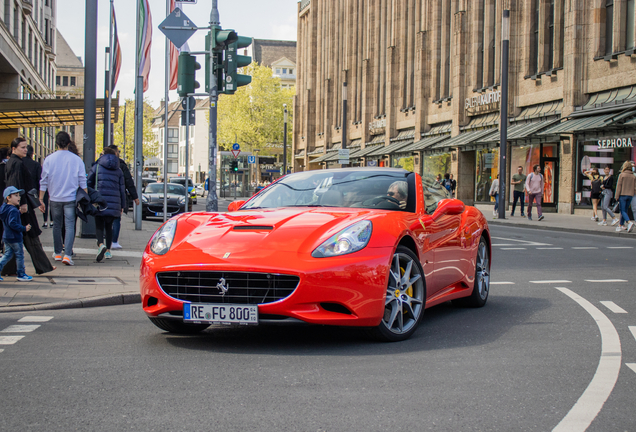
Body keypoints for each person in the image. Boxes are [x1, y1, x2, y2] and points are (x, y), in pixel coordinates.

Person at [3, 137, 55, 276]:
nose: (25, 150)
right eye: (22, 147)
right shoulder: (17, 164)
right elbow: (16, 184)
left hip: (16, 206)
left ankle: (8, 269)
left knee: (16, 237)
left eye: (26, 147)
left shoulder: (13, 162)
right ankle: (43, 266)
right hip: (20, 208)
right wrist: (22, 203)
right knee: (30, 235)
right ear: (14, 149)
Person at [38, 131, 87, 266]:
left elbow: (44, 180)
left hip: (54, 198)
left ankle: (57, 252)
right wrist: (85, 196)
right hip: (70, 198)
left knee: (57, 225)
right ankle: (68, 255)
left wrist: (41, 199)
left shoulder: (49, 159)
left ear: (56, 143)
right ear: (69, 143)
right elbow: (83, 180)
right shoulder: (76, 160)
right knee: (70, 225)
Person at [87, 147, 126, 262]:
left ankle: (100, 245)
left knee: (99, 224)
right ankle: (108, 251)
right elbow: (122, 189)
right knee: (109, 226)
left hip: (100, 200)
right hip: (114, 202)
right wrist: (122, 205)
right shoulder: (119, 170)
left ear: (103, 154)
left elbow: (88, 183)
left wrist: (90, 198)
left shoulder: (97, 167)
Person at [107, 144, 139, 250]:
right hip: (117, 197)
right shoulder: (121, 165)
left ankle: (103, 242)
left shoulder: (99, 163)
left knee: (104, 219)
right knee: (116, 219)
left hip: (103, 196)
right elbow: (128, 182)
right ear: (116, 153)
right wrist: (135, 197)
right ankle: (114, 241)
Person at [0, 186, 33, 281]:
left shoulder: (4, 208)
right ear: (8, 198)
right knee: (19, 255)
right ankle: (21, 274)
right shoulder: (13, 210)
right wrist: (24, 228)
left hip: (6, 237)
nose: (19, 197)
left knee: (7, 255)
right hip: (15, 238)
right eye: (15, 195)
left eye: (19, 195)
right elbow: (12, 223)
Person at [615, 160, 636, 233]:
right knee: (625, 210)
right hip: (630, 195)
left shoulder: (622, 175)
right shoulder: (633, 176)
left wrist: (616, 196)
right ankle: (620, 225)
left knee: (622, 210)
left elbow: (619, 186)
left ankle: (629, 222)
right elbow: (635, 187)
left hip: (623, 195)